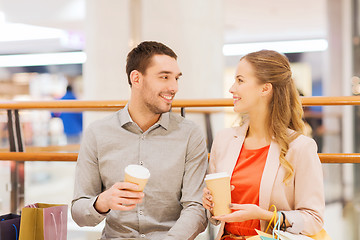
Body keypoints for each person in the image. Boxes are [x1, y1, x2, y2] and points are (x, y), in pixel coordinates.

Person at [71, 41, 208, 239]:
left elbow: (196, 208)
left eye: (176, 78)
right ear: (136, 78)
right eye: (164, 77)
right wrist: (102, 202)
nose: (174, 87)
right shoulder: (97, 133)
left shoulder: (190, 134)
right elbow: (78, 213)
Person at [202, 50, 324, 239]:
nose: (232, 88)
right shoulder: (224, 140)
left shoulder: (300, 147)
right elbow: (217, 218)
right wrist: (211, 205)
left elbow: (314, 219)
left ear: (265, 89)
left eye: (240, 81)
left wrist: (265, 216)